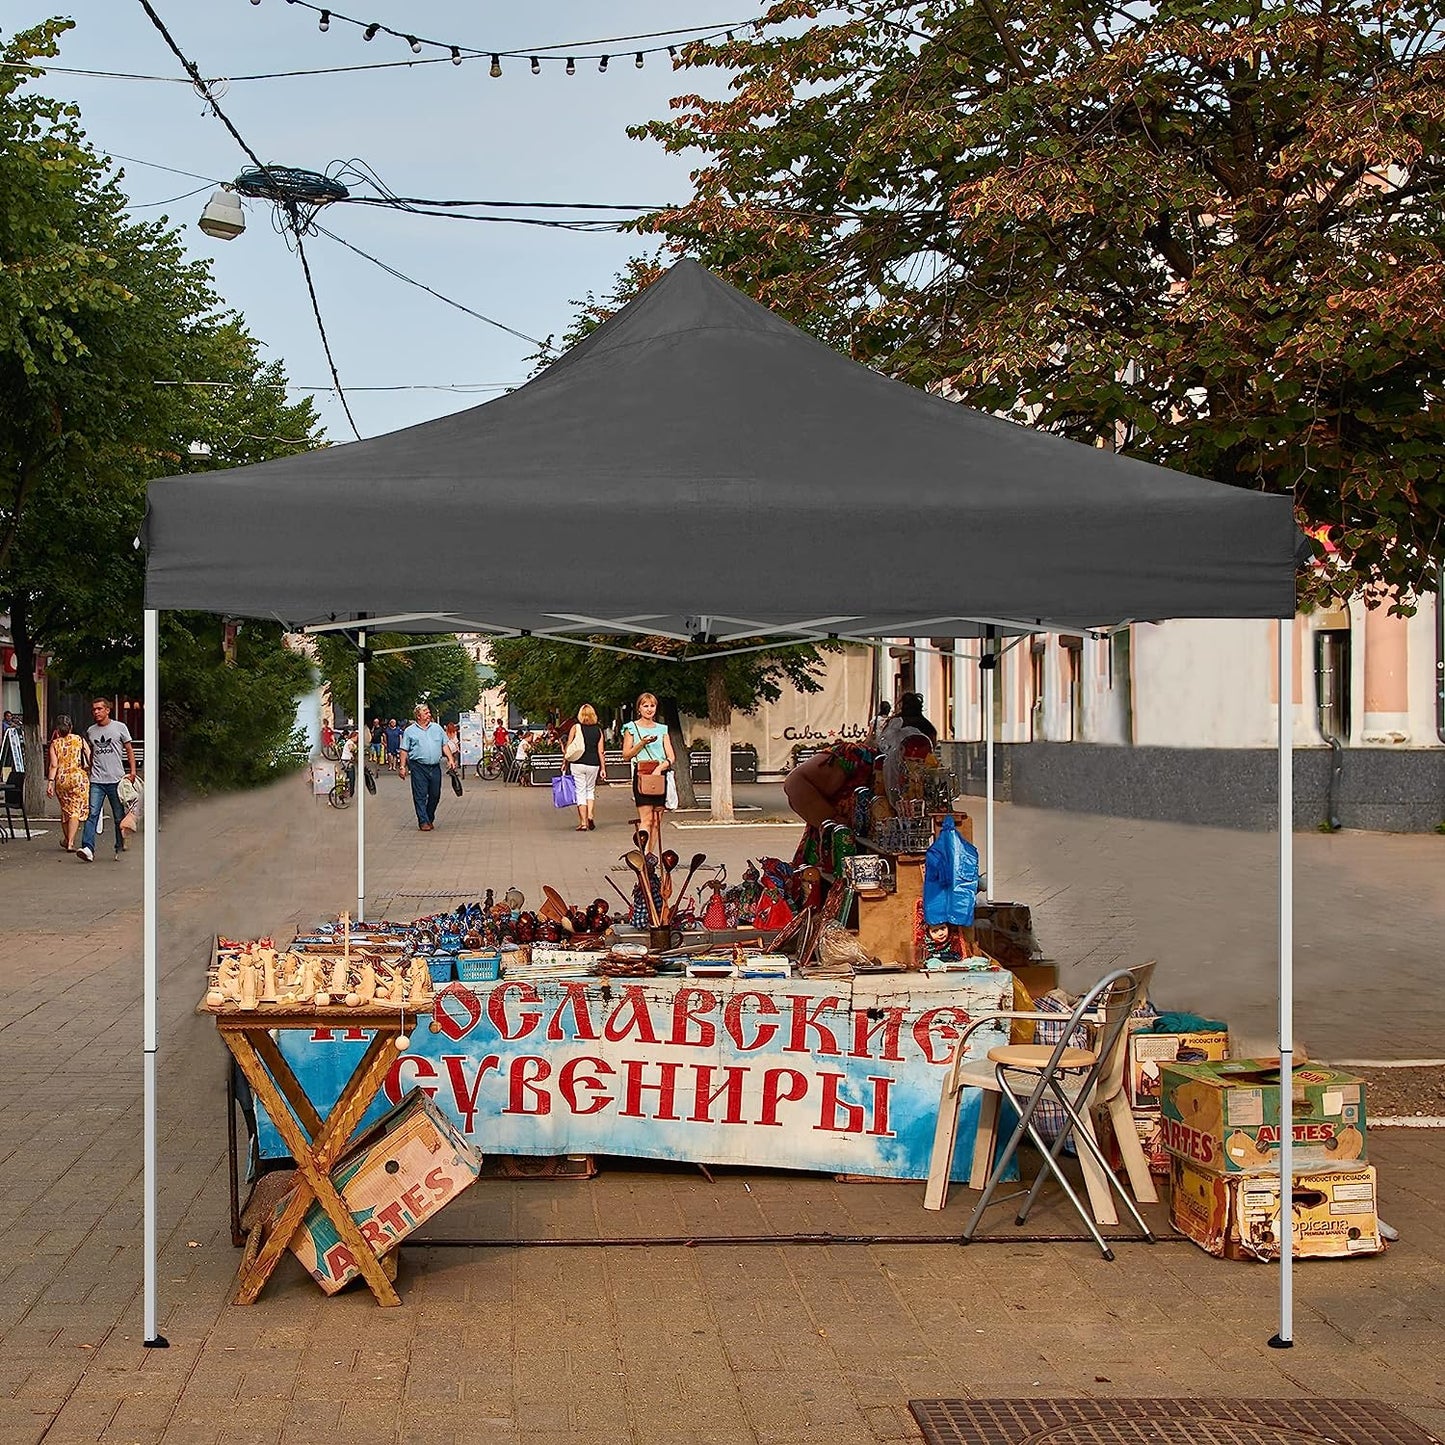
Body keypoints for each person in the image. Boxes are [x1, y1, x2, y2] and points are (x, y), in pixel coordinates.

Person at [76, 698, 136, 862]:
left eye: (99, 709)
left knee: (118, 815)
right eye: (94, 709)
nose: (96, 712)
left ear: (107, 710)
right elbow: (93, 751)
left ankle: (119, 846)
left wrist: (132, 771)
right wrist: (90, 766)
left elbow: (129, 750)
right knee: (92, 814)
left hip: (116, 779)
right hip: (97, 779)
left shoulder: (119, 728)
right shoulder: (91, 730)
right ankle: (88, 848)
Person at [621, 693, 674, 862]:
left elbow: (671, 756)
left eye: (652, 706)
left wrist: (660, 767)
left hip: (659, 774)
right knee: (646, 818)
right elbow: (626, 755)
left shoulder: (662, 729)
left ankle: (651, 855)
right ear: (639, 708)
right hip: (642, 773)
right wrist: (642, 743)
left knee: (657, 820)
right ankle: (642, 854)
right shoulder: (631, 728)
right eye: (645, 706)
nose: (649, 709)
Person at [397, 703, 455, 831]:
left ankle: (429, 817)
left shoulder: (437, 728)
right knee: (420, 795)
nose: (429, 715)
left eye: (429, 712)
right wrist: (402, 766)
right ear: (418, 716)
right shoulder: (410, 731)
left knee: (435, 794)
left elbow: (445, 745)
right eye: (426, 713)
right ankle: (423, 821)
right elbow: (404, 749)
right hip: (418, 767)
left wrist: (450, 759)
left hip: (434, 766)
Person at [46, 715, 90, 852]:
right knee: (75, 810)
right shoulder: (79, 740)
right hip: (78, 778)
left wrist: (50, 783)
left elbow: (54, 765)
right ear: (71, 727)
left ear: (57, 730)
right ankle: (71, 842)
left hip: (61, 780)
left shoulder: (55, 744)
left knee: (66, 811)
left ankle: (66, 840)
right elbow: (89, 756)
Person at [564, 704, 606, 832]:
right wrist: (603, 768)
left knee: (580, 791)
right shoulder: (598, 730)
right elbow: (601, 751)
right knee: (590, 790)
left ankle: (583, 823)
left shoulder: (576, 728)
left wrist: (564, 763)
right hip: (594, 764)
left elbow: (569, 748)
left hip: (578, 763)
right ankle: (590, 816)